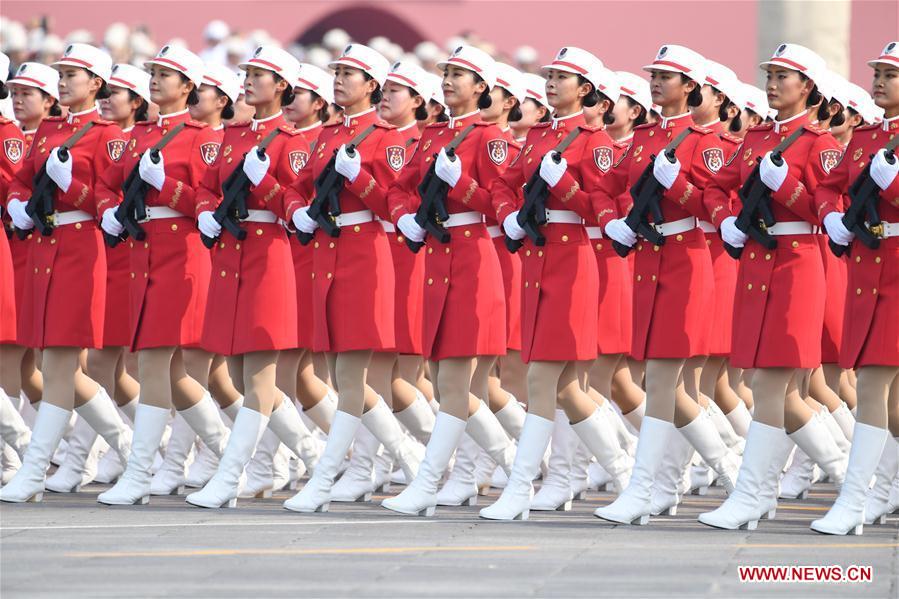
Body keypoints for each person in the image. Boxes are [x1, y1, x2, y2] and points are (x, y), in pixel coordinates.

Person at [481, 48, 636, 520]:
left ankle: (520, 489)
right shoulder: (539, 135)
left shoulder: (596, 142)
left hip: (572, 261)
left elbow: (604, 206)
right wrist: (507, 214)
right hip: (537, 258)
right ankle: (627, 475)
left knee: (542, 378)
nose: (550, 83)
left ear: (585, 90)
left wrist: (564, 184)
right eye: (549, 76)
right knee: (567, 388)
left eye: (561, 77)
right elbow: (503, 182)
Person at [699, 43, 845, 530]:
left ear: (808, 87)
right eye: (771, 75)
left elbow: (829, 210)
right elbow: (716, 187)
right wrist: (725, 220)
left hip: (798, 262)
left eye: (784, 76)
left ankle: (755, 493)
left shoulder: (820, 144)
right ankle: (847, 475)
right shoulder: (758, 137)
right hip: (756, 261)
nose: (773, 83)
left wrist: (787, 187)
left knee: (771, 384)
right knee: (770, 387)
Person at [591, 44, 739, 526]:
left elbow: (716, 206)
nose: (655, 82)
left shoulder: (705, 142)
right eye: (653, 75)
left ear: (690, 86)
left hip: (685, 262)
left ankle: (646, 488)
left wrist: (677, 185)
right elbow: (605, 187)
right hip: (646, 260)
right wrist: (611, 220)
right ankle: (703, 480)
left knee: (660, 381)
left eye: (666, 76)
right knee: (666, 387)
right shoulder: (644, 137)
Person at [282, 43, 423, 513]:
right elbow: (298, 188)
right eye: (337, 72)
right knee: (344, 377)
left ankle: (325, 479)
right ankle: (410, 460)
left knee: (350, 375)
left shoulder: (387, 139)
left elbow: (395, 204)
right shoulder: (326, 134)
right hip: (326, 252)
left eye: (350, 73)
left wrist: (359, 177)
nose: (339, 80)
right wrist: (295, 210)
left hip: (364, 253)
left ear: (371, 86)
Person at [93, 45, 231, 505]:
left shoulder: (202, 138)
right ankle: (232, 456)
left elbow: (209, 202)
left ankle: (139, 473)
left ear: (188, 86)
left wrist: (165, 185)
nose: (154, 79)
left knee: (154, 362)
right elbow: (107, 182)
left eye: (166, 74)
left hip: (181, 255)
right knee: (170, 373)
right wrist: (107, 209)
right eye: (153, 72)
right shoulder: (140, 134)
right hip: (143, 254)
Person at [380, 44, 514, 517]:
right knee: (441, 381)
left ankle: (427, 484)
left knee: (456, 382)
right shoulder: (434, 134)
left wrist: (462, 185)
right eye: (447, 73)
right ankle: (517, 466)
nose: (449, 80)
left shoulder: (489, 137)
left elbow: (503, 202)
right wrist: (404, 216)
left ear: (481, 87)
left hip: (473, 258)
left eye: (460, 74)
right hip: (436, 258)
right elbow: (400, 187)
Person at [2, 43, 133, 503]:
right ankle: (131, 447)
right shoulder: (50, 128)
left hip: (80, 249)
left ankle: (33, 470)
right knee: (49, 363)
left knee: (59, 362)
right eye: (60, 74)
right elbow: (22, 178)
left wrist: (69, 185)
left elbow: (112, 203)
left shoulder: (107, 135)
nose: (62, 81)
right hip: (44, 248)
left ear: (96, 83)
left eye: (72, 74)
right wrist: (17, 202)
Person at [184, 45, 311, 509]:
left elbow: (299, 210)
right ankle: (314, 457)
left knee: (258, 376)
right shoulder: (234, 134)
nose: (249, 80)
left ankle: (228, 478)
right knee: (240, 374)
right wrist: (204, 210)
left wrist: (267, 184)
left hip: (266, 256)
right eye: (249, 73)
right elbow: (206, 184)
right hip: (229, 255)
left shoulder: (292, 142)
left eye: (260, 74)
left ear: (282, 86)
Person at [326, 59, 437, 502]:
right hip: (368, 251)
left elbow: (395, 202)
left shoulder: (400, 142)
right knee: (368, 376)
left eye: (396, 90)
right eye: (386, 88)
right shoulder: (350, 133)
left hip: (399, 254)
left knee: (396, 374)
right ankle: (380, 465)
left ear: (418, 100)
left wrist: (358, 177)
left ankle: (431, 457)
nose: (387, 97)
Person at [810, 40, 899, 535]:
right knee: (890, 398)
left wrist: (893, 185)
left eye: (890, 74)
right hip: (868, 266)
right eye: (878, 73)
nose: (879, 82)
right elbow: (830, 184)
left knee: (871, 385)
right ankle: (884, 491)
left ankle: (855, 500)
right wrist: (831, 216)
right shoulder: (867, 137)